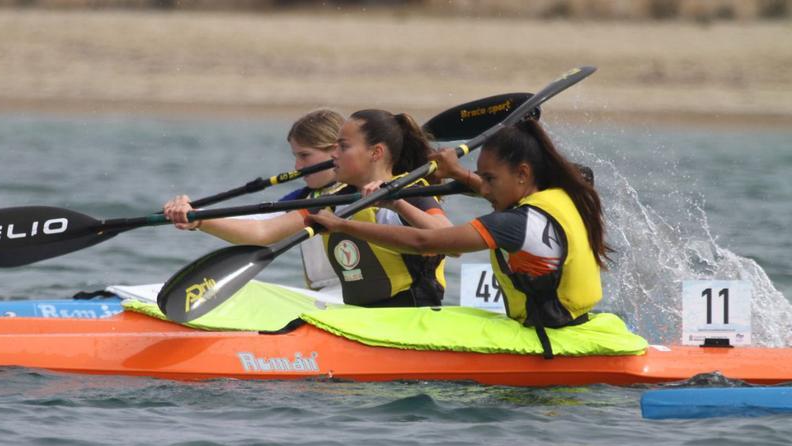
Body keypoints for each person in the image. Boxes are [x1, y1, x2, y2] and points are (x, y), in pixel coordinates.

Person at [306, 118, 610, 357]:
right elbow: (503, 193)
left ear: (523, 174)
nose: (484, 190)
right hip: (571, 326)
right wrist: (455, 173)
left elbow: (425, 242)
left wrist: (342, 226)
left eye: (490, 179)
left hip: (548, 341)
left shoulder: (514, 223)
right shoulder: (563, 194)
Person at [164, 109, 453, 307]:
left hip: (415, 316)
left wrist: (396, 201)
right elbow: (263, 232)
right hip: (361, 321)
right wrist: (199, 220)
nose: (334, 156)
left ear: (375, 152)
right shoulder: (332, 200)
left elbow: (449, 240)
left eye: (342, 148)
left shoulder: (413, 191)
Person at [166, 109, 344, 291]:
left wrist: (200, 219)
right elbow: (259, 223)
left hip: (353, 305)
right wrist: (196, 215)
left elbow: (263, 233)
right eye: (295, 156)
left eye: (305, 155)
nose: (297, 167)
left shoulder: (353, 194)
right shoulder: (305, 197)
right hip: (325, 298)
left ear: (336, 151)